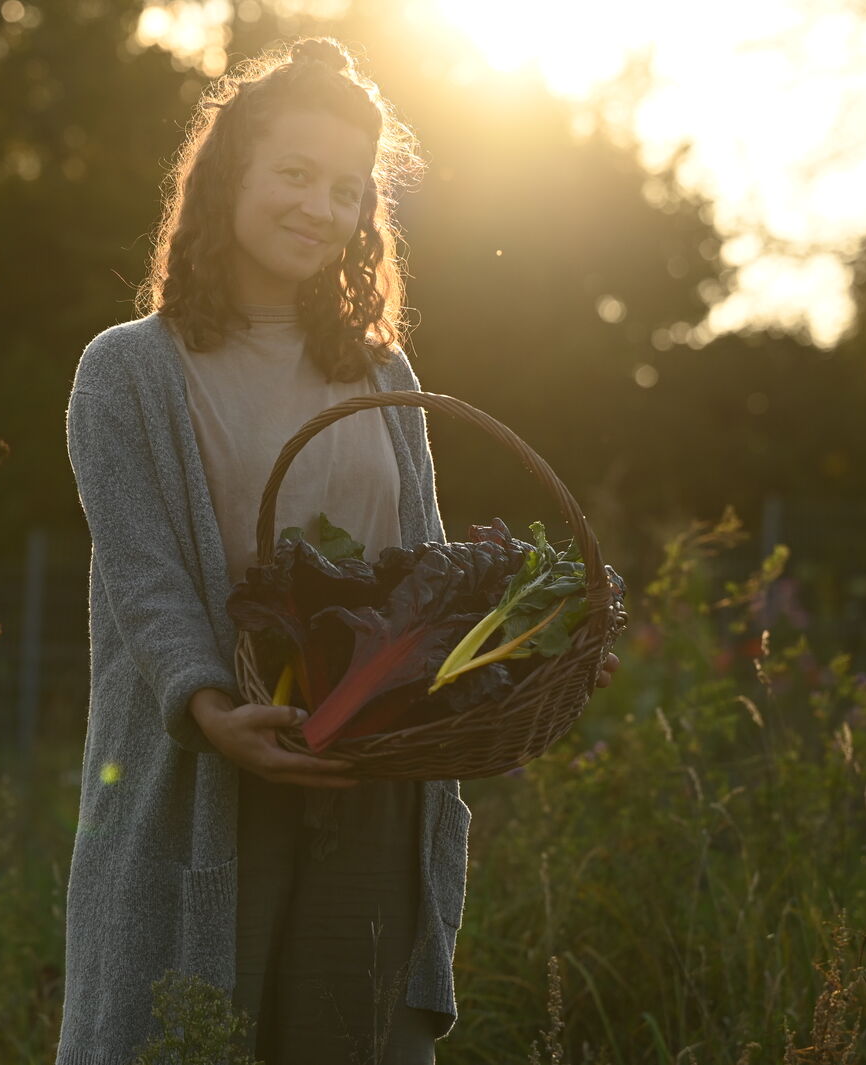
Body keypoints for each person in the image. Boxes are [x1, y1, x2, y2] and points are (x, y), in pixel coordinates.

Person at [58, 37, 616, 1065]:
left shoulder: (381, 371)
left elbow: (427, 574)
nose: (321, 207)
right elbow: (146, 579)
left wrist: (522, 664)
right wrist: (212, 710)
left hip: (372, 788)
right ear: (231, 173)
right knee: (188, 1039)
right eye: (295, 174)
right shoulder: (127, 371)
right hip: (208, 779)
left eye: (349, 190)